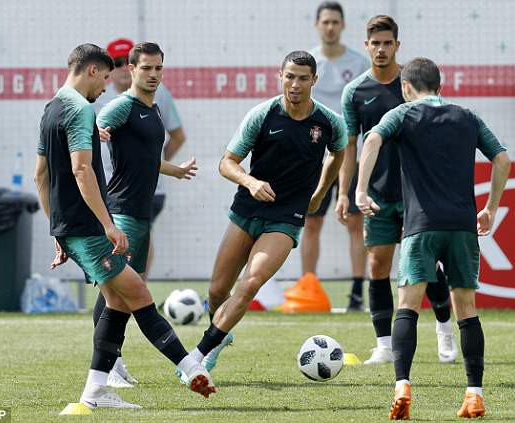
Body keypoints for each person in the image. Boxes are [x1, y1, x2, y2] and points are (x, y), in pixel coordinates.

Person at [34, 44, 215, 410]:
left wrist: (57, 229)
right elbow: (81, 170)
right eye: (104, 76)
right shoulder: (81, 109)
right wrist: (108, 226)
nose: (106, 86)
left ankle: (96, 391)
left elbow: (42, 175)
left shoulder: (51, 108)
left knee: (118, 300)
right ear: (91, 71)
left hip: (75, 226)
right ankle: (191, 367)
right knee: (139, 295)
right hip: (92, 225)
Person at [355, 57, 511, 419]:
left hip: (420, 226)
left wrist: (361, 191)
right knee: (467, 311)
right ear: (440, 85)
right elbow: (502, 160)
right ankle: (474, 393)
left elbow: (372, 139)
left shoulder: (403, 114)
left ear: (406, 87)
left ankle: (403, 386)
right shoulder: (467, 116)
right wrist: (490, 208)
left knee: (408, 306)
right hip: (461, 225)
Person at [181, 50, 347, 380]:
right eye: (289, 76)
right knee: (217, 291)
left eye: (302, 78)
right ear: (280, 76)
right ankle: (221, 332)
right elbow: (226, 163)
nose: (295, 84)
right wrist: (250, 180)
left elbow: (339, 153)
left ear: (314, 80)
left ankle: (200, 355)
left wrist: (322, 192)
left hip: (286, 217)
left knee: (250, 283)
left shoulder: (329, 123)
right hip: (248, 208)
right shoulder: (263, 114)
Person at [338, 16, 456, 365]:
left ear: (397, 46)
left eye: (387, 43)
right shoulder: (355, 92)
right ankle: (385, 346)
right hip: (377, 194)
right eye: (375, 43)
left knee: (425, 264)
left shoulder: (415, 84)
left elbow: (437, 135)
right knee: (377, 265)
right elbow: (350, 147)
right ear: (366, 46)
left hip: (418, 194)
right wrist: (344, 192)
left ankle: (445, 329)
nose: (381, 49)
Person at [96, 42, 198, 388]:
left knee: (126, 290)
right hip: (121, 211)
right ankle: (107, 367)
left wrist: (176, 170)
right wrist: (97, 131)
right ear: (132, 69)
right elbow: (91, 127)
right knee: (113, 292)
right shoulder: (122, 106)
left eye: (158, 69)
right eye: (146, 68)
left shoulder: (152, 110)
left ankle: (112, 362)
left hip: (141, 214)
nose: (153, 75)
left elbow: (146, 160)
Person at [297, 1, 370, 310]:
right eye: (324, 22)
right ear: (317, 25)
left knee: (355, 221)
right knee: (311, 222)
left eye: (334, 22)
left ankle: (356, 292)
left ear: (342, 25)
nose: (329, 27)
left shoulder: (359, 63)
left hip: (349, 154)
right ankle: (308, 288)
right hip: (314, 157)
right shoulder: (309, 65)